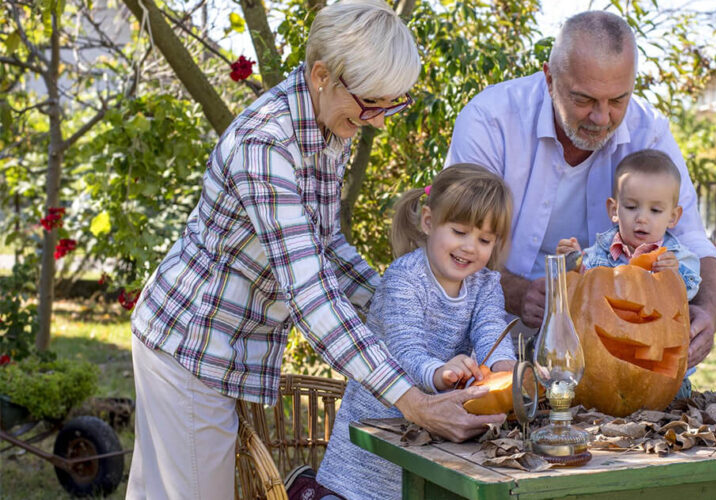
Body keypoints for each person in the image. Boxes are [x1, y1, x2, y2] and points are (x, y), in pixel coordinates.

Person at [126, 2, 503, 498]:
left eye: (391, 105)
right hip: (191, 340)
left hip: (221, 340)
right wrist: (410, 400)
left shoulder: (327, 123)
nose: (380, 122)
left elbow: (326, 246)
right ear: (322, 74)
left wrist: (404, 298)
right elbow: (310, 293)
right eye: (371, 104)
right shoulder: (266, 145)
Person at [445, 10, 716, 372]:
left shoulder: (648, 129)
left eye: (618, 100)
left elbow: (692, 239)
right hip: (491, 322)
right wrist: (514, 291)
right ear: (549, 78)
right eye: (584, 100)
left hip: (606, 332)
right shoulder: (490, 119)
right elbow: (452, 241)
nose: (601, 117)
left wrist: (707, 311)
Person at [316, 164, 518, 499]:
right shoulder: (404, 278)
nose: (470, 247)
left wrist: (506, 369)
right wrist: (439, 373)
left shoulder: (485, 284)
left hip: (430, 445)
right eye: (459, 232)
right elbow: (404, 351)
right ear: (428, 222)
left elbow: (491, 329)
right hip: (369, 452)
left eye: (484, 239)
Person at [556, 149, 701, 398]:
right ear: (614, 209)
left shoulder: (675, 256)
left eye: (655, 211)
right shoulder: (599, 252)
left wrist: (673, 275)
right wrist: (572, 262)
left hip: (661, 377)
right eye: (632, 207)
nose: (642, 218)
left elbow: (689, 291)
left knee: (675, 398)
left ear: (673, 217)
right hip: (600, 371)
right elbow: (582, 294)